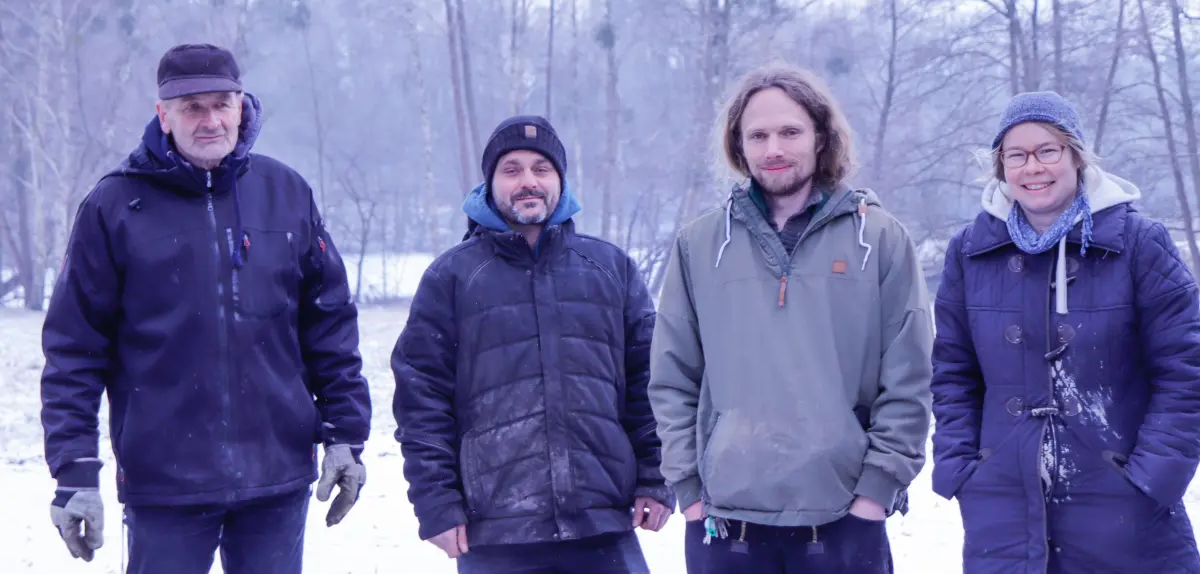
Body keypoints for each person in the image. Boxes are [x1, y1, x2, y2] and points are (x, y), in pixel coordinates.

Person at [40, 43, 371, 574]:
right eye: (192, 107)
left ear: (241, 106)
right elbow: (74, 349)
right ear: (163, 115)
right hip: (164, 485)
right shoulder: (115, 205)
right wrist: (74, 472)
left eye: (222, 104)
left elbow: (328, 323)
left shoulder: (285, 192)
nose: (211, 120)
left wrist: (345, 435)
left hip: (276, 477)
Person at [648, 63, 933, 574]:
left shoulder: (878, 240)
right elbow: (672, 377)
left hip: (844, 517)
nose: (774, 148)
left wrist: (876, 491)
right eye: (758, 135)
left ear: (821, 137)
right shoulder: (701, 244)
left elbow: (910, 375)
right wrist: (688, 490)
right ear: (739, 146)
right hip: (724, 522)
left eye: (790, 132)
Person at [930, 91, 1200, 572]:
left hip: (1126, 516)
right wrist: (965, 468)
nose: (1033, 167)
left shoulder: (1140, 243)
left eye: (1047, 150)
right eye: (1016, 155)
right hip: (1003, 515)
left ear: (1076, 156)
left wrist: (1153, 477)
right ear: (1000, 167)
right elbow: (953, 372)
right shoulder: (969, 252)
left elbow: (1187, 369)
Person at [392, 115, 674, 574]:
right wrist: (436, 503)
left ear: (560, 180)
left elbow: (651, 382)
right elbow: (421, 400)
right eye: (512, 169)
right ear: (490, 183)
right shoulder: (452, 277)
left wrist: (655, 478)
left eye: (541, 168)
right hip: (494, 531)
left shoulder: (610, 268)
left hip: (602, 523)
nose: (528, 181)